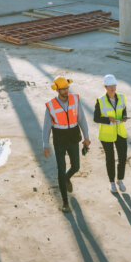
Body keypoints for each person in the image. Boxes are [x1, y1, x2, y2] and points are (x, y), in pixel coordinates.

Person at [43, 76, 91, 213]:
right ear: (57, 90)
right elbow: (46, 127)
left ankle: (66, 179)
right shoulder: (51, 105)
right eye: (63, 89)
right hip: (59, 139)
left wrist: (86, 137)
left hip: (73, 137)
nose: (66, 91)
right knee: (61, 169)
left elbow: (81, 118)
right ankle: (65, 202)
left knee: (76, 166)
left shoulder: (75, 99)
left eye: (67, 88)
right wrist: (45, 145)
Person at [94, 74, 128, 193]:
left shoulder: (122, 97)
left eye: (114, 85)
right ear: (105, 87)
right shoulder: (100, 100)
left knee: (123, 157)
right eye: (110, 86)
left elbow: (124, 110)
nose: (112, 88)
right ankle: (112, 182)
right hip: (107, 134)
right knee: (110, 158)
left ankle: (120, 180)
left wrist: (124, 117)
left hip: (120, 132)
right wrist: (108, 119)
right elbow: (96, 118)